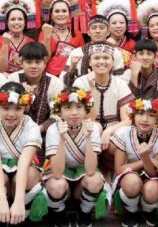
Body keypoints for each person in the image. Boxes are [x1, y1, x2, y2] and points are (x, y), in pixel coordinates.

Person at [0, 82, 46, 225]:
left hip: (22, 168)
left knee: (31, 176)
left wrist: (19, 200)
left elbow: (24, 163)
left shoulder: (31, 127)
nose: (11, 114)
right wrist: (1, 198)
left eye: (18, 108)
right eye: (5, 108)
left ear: (25, 108)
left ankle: (23, 211)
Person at [43, 87, 109, 227]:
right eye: (67, 107)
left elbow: (90, 170)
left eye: (79, 107)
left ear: (86, 109)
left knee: (95, 180)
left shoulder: (92, 127)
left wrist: (88, 137)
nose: (74, 112)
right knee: (56, 185)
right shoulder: (53, 129)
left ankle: (84, 212)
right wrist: (62, 138)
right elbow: (57, 173)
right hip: (62, 176)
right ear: (59, 111)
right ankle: (59, 213)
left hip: (83, 176)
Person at [110, 97, 158, 227]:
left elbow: (153, 173)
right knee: (132, 182)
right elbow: (119, 169)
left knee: (152, 189)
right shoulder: (123, 133)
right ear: (133, 116)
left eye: (151, 115)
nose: (145, 119)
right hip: (128, 177)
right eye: (140, 114)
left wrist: (146, 157)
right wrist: (146, 160)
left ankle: (148, 211)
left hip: (151, 179)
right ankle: (131, 211)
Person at [73, 42, 134, 151]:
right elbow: (81, 117)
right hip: (87, 128)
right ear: (90, 62)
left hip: (113, 129)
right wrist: (90, 90)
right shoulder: (81, 83)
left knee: (123, 133)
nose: (101, 61)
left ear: (112, 61)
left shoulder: (120, 83)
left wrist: (108, 131)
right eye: (96, 58)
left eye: (106, 58)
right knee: (94, 128)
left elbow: (127, 120)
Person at [8, 42, 65, 134]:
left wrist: (39, 129)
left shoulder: (55, 83)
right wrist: (24, 97)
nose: (33, 66)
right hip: (15, 130)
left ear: (45, 63)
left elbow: (58, 115)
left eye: (38, 62)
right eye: (29, 62)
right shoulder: (14, 79)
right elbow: (8, 110)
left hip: (46, 133)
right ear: (21, 62)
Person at [63, 15, 126, 82]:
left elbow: (120, 80)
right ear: (88, 32)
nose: (97, 31)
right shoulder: (77, 53)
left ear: (108, 32)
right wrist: (72, 67)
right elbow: (65, 82)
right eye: (94, 28)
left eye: (101, 28)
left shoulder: (115, 52)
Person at [39, 0, 84, 76]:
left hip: (71, 76)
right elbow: (43, 59)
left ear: (69, 14)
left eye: (64, 11)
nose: (61, 14)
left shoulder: (77, 34)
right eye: (57, 11)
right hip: (50, 77)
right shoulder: (44, 33)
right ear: (51, 15)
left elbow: (82, 59)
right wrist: (47, 37)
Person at [0, 0, 37, 73]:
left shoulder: (30, 42)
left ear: (25, 22)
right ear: (7, 22)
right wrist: (5, 44)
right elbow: (0, 68)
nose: (16, 22)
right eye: (13, 19)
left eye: (20, 19)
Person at [96, 0, 138, 64]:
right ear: (108, 26)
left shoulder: (133, 44)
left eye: (121, 23)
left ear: (126, 25)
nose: (118, 26)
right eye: (114, 23)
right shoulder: (101, 43)